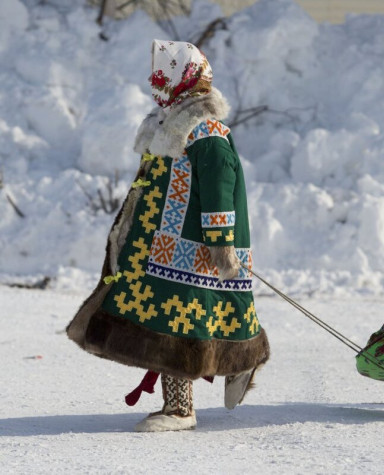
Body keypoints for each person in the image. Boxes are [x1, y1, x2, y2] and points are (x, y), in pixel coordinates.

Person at [67, 40, 270, 432]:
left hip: (191, 248)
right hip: (158, 246)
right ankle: (242, 361)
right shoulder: (169, 124)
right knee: (172, 318)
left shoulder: (204, 129)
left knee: (179, 325)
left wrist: (220, 242)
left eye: (162, 74)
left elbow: (219, 183)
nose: (153, 81)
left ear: (185, 79)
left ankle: (182, 409)